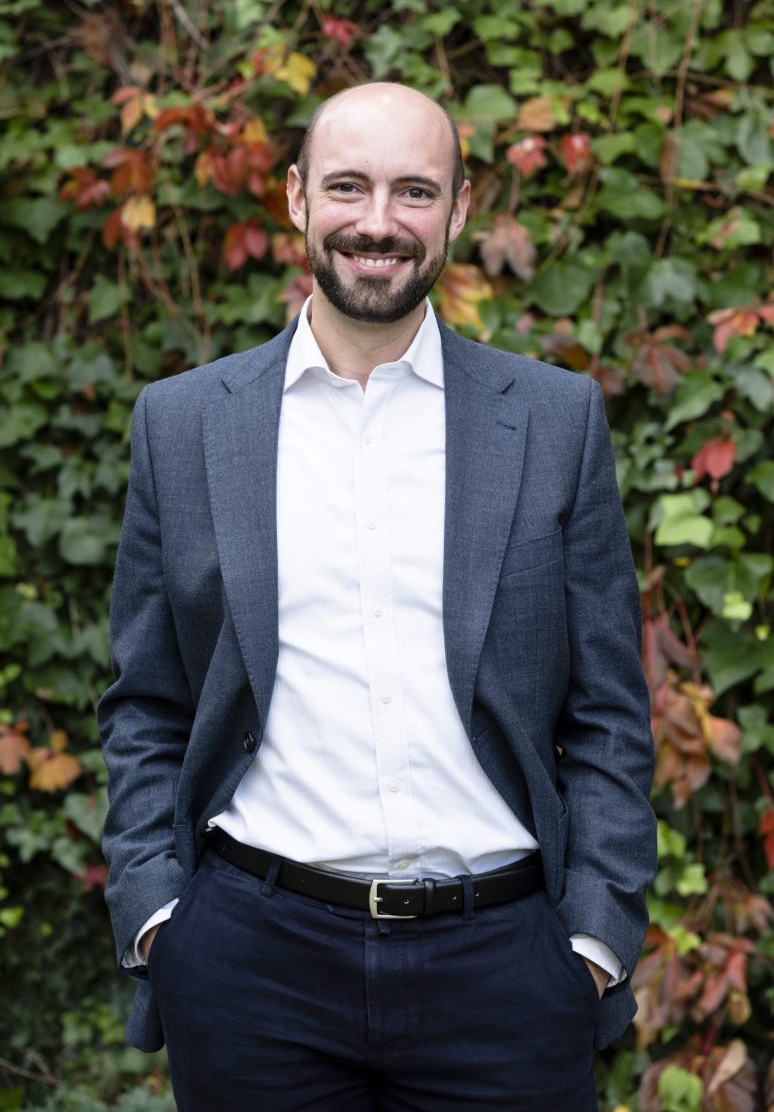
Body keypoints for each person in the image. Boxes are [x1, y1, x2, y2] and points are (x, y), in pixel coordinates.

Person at [98, 82, 656, 1112]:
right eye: (348, 186)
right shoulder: (182, 424)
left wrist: (592, 940)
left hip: (507, 971)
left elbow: (610, 714)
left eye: (415, 191)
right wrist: (159, 920)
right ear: (297, 198)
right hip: (249, 968)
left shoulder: (554, 419)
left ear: (459, 208)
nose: (379, 221)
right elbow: (146, 701)